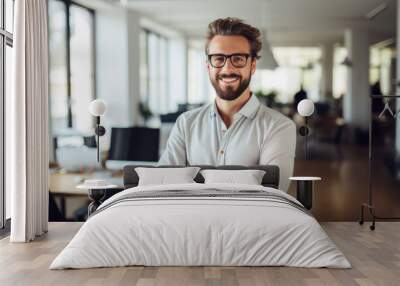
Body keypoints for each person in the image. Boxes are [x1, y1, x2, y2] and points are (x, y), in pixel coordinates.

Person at [159, 18, 296, 192]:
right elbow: (162, 186)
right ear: (208, 66)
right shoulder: (185, 123)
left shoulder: (278, 126)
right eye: (218, 59)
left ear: (252, 65)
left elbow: (272, 194)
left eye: (238, 59)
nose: (227, 69)